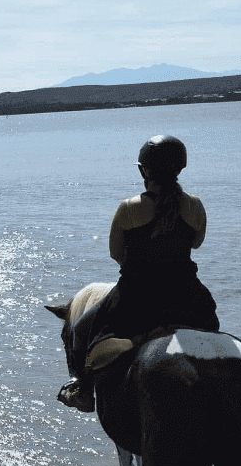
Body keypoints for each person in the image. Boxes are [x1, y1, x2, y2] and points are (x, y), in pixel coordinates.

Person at [58, 134, 219, 412]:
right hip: (187, 295)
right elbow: (197, 243)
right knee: (213, 329)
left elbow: (116, 254)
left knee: (82, 329)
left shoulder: (129, 208)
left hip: (135, 297)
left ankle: (81, 389)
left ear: (144, 170)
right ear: (180, 168)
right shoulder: (195, 205)